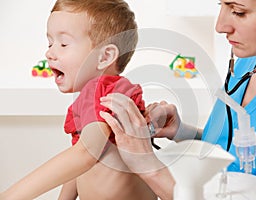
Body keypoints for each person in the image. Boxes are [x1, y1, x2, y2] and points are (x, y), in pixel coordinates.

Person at [99, 0, 256, 199]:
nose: (220, 26)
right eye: (221, 6)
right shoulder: (248, 62)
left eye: (238, 12)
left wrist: (147, 166)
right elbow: (233, 152)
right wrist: (182, 131)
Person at [0, 0, 157, 199]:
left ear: (104, 57)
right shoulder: (104, 93)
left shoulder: (103, 89)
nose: (49, 52)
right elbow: (79, 161)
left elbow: (84, 155)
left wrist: (10, 196)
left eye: (63, 44)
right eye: (50, 43)